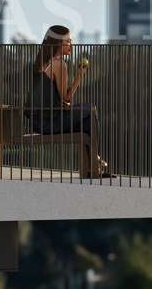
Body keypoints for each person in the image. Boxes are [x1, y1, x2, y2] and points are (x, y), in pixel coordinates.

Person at [25, 25, 110, 178]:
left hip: (39, 121)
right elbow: (66, 98)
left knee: (86, 121)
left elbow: (54, 98)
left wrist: (65, 104)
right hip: (48, 122)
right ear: (58, 43)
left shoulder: (43, 62)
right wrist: (79, 77)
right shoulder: (59, 64)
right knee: (90, 110)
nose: (71, 44)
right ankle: (95, 161)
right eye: (68, 41)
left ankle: (93, 165)